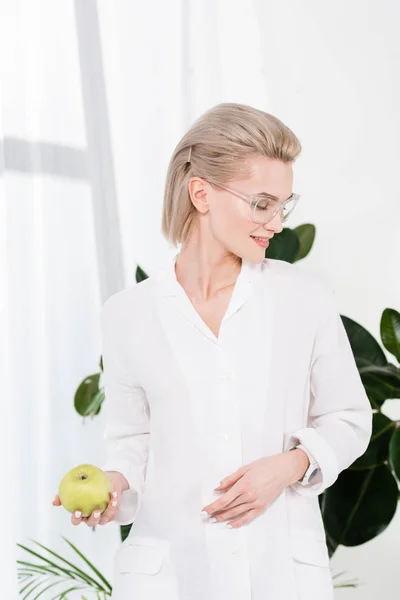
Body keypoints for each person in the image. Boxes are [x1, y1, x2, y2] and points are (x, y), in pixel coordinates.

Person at [53, 102, 373, 599]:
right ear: (201, 193)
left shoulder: (303, 297)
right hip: (172, 573)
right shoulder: (126, 315)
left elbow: (349, 418)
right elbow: (132, 441)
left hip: (280, 571)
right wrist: (115, 487)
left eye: (284, 205)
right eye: (261, 203)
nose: (276, 222)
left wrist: (287, 466)